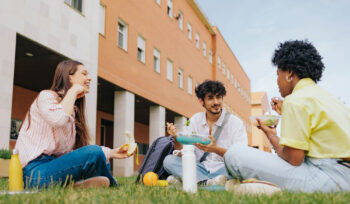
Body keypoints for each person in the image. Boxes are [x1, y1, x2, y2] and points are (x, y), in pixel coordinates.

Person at [224, 40, 350, 192]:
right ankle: (258, 188)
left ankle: (252, 188)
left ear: (289, 72)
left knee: (234, 154)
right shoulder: (328, 98)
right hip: (342, 173)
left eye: (278, 74)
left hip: (328, 178)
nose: (277, 81)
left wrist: (270, 135)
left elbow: (293, 159)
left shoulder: (295, 100)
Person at [15, 60, 133, 189]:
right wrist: (74, 90)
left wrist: (112, 153)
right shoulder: (46, 97)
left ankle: (75, 185)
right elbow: (58, 119)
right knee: (94, 152)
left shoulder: (71, 110)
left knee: (100, 156)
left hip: (53, 168)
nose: (89, 78)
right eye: (84, 74)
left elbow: (69, 154)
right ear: (69, 77)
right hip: (34, 173)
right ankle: (111, 185)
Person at [164, 80, 248, 186]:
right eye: (210, 98)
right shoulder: (195, 120)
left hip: (224, 168)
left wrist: (215, 149)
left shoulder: (235, 122)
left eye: (218, 97)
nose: (216, 102)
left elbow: (241, 157)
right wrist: (176, 137)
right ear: (201, 101)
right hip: (201, 167)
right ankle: (207, 182)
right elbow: (183, 152)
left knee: (239, 170)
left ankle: (190, 179)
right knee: (169, 160)